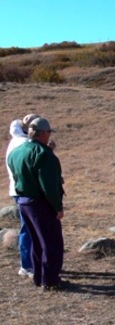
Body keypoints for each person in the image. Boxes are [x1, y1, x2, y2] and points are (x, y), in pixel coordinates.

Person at [7, 117, 67, 291]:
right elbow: (48, 186)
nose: (49, 135)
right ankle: (50, 280)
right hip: (41, 203)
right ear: (42, 134)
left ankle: (38, 277)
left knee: (36, 241)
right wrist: (58, 207)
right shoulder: (43, 154)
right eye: (48, 132)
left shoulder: (16, 151)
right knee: (51, 242)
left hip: (23, 201)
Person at [5, 114, 39, 278]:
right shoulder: (25, 144)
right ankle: (27, 265)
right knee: (30, 228)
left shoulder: (14, 141)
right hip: (26, 191)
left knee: (28, 227)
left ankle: (30, 262)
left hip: (17, 190)